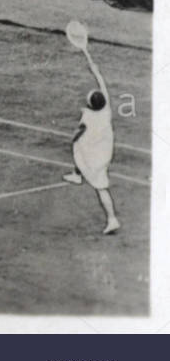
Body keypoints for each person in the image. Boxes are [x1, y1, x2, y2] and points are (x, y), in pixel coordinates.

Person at [62, 47, 120, 234]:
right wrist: (96, 71)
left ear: (89, 104)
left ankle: (112, 219)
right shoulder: (106, 108)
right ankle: (77, 174)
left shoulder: (87, 117)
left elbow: (77, 134)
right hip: (105, 149)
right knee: (80, 146)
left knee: (78, 146)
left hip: (95, 156)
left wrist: (72, 138)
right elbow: (102, 84)